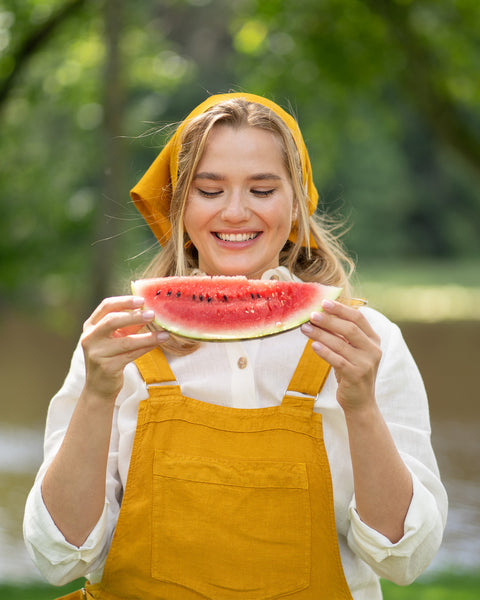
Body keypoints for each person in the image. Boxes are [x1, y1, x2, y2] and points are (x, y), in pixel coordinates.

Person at [24, 92, 447, 600]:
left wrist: (360, 406)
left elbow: (404, 559)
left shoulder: (364, 343)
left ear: (297, 205)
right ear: (179, 206)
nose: (235, 211)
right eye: (209, 190)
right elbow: (59, 556)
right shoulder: (120, 341)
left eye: (263, 190)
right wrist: (95, 396)